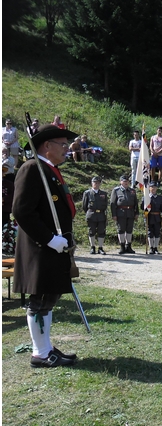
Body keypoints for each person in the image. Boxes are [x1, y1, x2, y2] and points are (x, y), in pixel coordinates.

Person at [13, 123, 79, 368]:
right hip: (41, 248)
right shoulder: (32, 168)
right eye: (62, 145)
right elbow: (21, 210)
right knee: (39, 300)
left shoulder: (48, 170)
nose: (67, 149)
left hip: (54, 247)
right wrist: (50, 239)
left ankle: (45, 347)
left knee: (49, 298)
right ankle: (40, 354)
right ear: (46, 146)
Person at [110, 174, 139, 254]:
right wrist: (114, 214)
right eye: (124, 181)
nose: (126, 183)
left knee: (129, 230)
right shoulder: (116, 190)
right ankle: (122, 246)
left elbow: (136, 203)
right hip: (120, 213)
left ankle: (128, 246)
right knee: (121, 230)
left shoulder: (132, 190)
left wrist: (137, 213)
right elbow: (112, 203)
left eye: (127, 181)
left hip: (130, 213)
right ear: (121, 182)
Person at [82, 176, 108, 254]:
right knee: (91, 231)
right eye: (94, 182)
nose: (96, 184)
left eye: (97, 183)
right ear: (92, 183)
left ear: (100, 184)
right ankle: (92, 247)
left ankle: (100, 248)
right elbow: (84, 205)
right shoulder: (87, 193)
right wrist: (89, 213)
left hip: (101, 215)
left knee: (101, 231)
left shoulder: (103, 193)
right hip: (91, 215)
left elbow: (105, 205)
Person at [145, 181, 162, 254]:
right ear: (149, 188)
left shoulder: (160, 198)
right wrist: (145, 203)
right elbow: (142, 207)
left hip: (157, 217)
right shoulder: (146, 197)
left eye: (155, 187)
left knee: (157, 232)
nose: (153, 188)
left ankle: (155, 248)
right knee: (150, 233)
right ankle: (151, 247)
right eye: (152, 187)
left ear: (157, 188)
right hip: (149, 217)